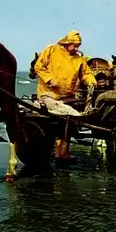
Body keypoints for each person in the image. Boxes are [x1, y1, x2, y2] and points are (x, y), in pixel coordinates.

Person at [34, 30, 97, 161]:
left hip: (68, 97)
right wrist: (49, 79)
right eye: (74, 45)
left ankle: (63, 154)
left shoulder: (79, 59)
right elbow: (38, 66)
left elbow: (86, 74)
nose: (76, 48)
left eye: (78, 46)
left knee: (68, 125)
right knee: (73, 118)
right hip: (48, 95)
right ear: (67, 43)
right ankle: (59, 153)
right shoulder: (51, 50)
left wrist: (91, 80)